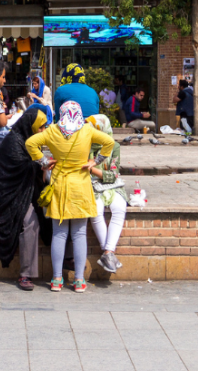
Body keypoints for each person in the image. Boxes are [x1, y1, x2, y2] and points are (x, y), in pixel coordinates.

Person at [26, 101, 114, 292]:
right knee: (79, 234)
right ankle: (79, 280)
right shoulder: (87, 131)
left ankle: (57, 279)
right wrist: (94, 162)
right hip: (81, 187)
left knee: (59, 233)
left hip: (59, 187)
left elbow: (30, 143)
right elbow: (109, 142)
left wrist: (44, 161)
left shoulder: (52, 131)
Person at [0, 104, 53, 291]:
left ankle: (68, 260)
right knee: (31, 221)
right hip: (8, 194)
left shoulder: (29, 140)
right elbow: (18, 170)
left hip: (25, 189)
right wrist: (42, 166)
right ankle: (26, 274)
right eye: (40, 127)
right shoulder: (13, 142)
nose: (43, 131)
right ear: (30, 125)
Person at [87, 114, 127, 274]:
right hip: (91, 186)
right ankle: (109, 253)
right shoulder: (85, 145)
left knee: (119, 206)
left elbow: (113, 174)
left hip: (112, 186)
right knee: (95, 209)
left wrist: (91, 169)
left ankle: (107, 252)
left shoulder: (114, 146)